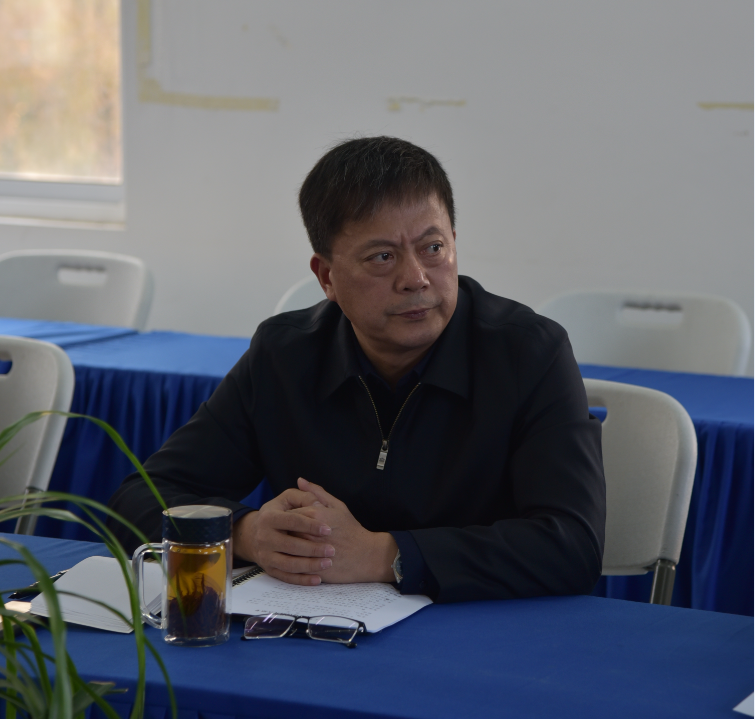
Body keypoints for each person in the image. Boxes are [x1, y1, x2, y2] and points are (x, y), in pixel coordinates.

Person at [108, 136, 605, 603]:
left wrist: (383, 555)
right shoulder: (285, 354)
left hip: (477, 633)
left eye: (433, 248)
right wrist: (246, 533)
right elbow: (139, 498)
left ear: (454, 242)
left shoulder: (528, 352)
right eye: (382, 257)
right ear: (326, 276)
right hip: (315, 630)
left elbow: (572, 546)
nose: (415, 278)